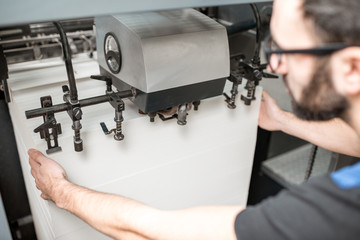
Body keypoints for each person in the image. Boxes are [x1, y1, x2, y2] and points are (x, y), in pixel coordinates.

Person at [29, 0, 360, 239]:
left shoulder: (332, 211)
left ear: (352, 69)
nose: (273, 67)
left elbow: (152, 231)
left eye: (284, 52)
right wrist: (283, 120)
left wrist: (61, 191)